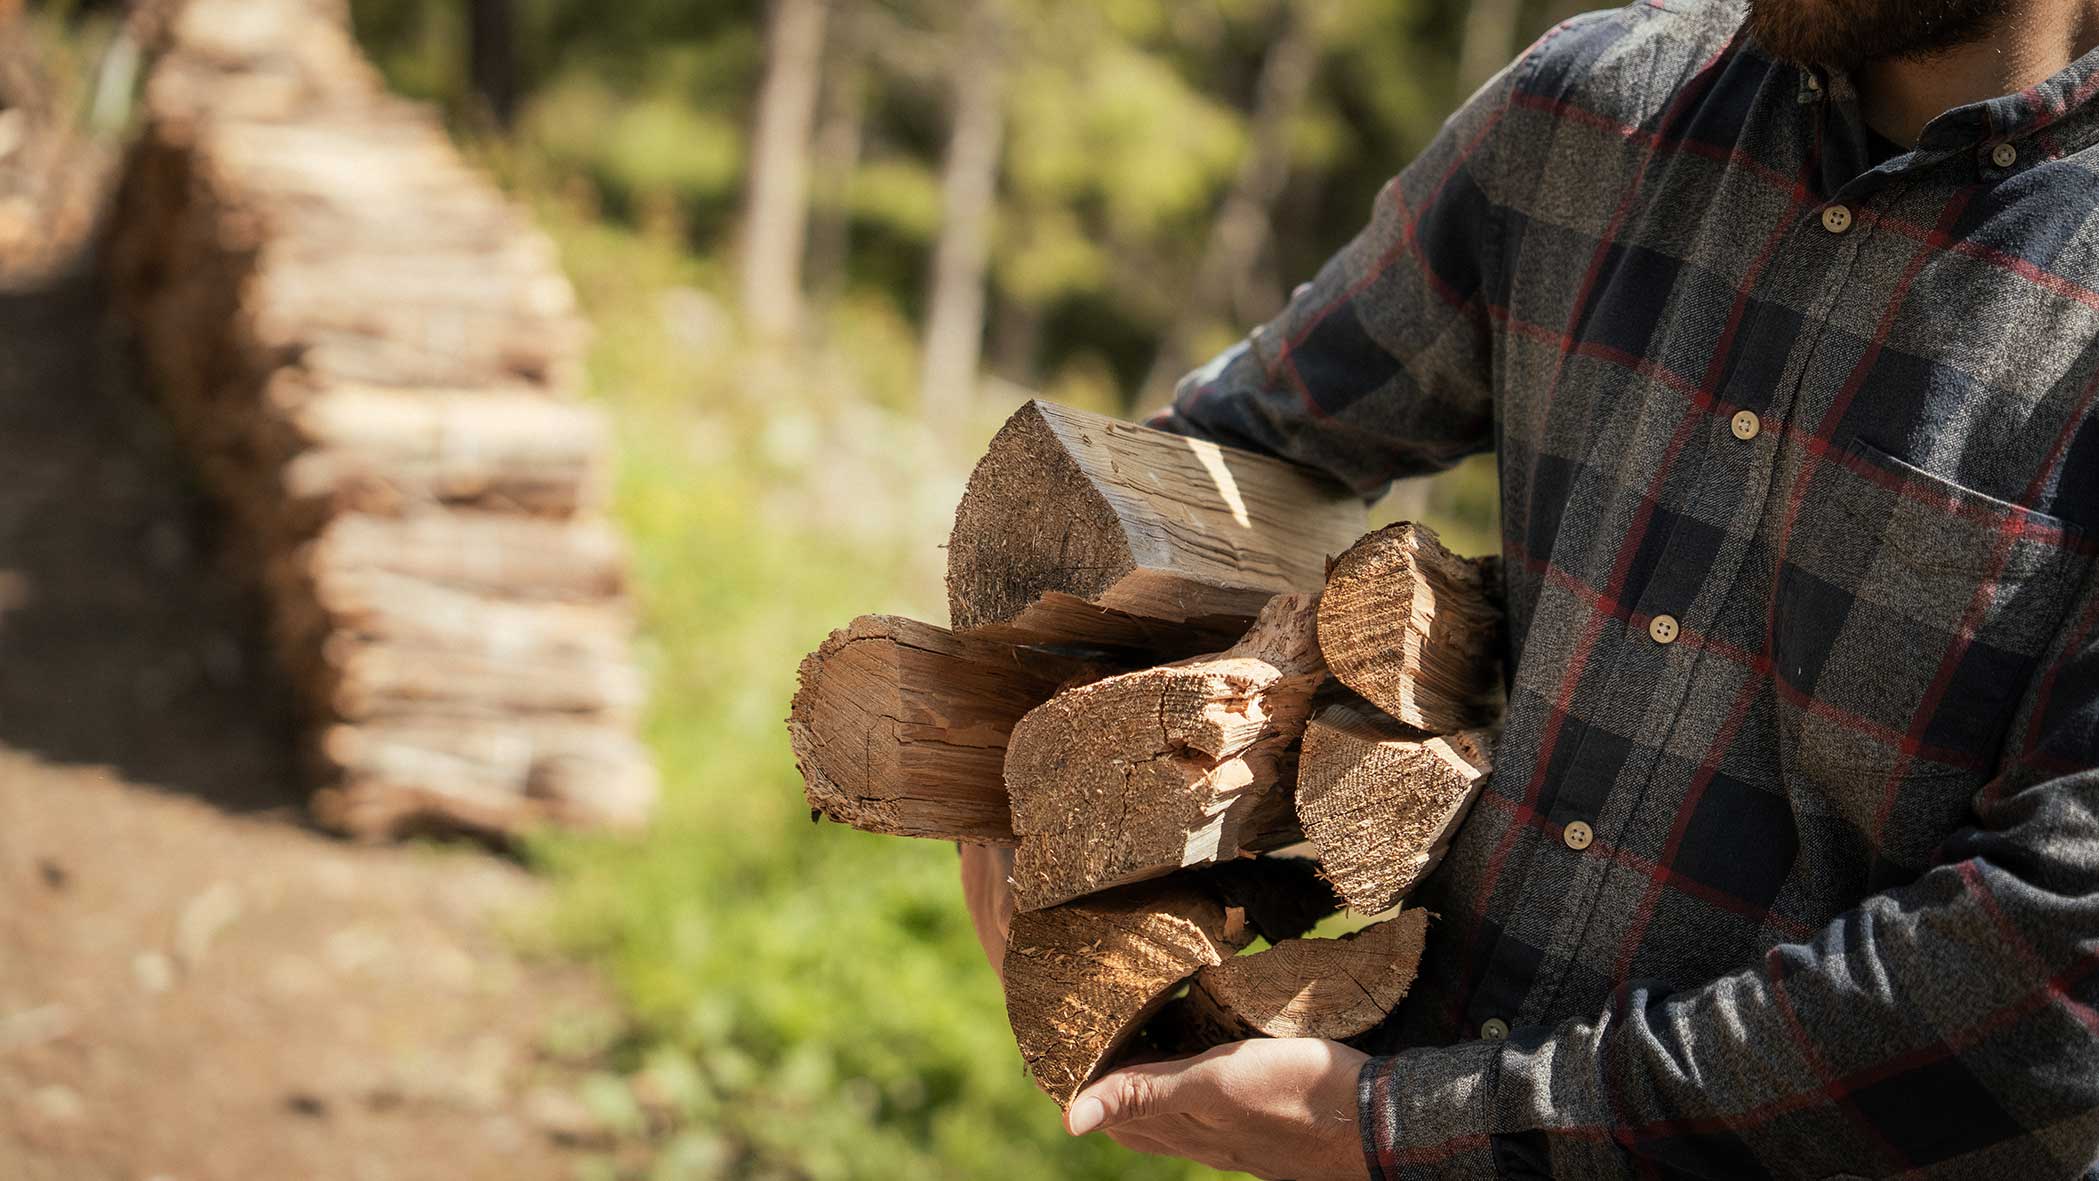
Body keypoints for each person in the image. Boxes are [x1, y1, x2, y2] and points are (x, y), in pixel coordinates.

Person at [963, 0, 2099, 1175]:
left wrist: (1434, 1128)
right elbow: (1228, 456)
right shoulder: (1594, 105)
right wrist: (1020, 762)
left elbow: (2054, 969)